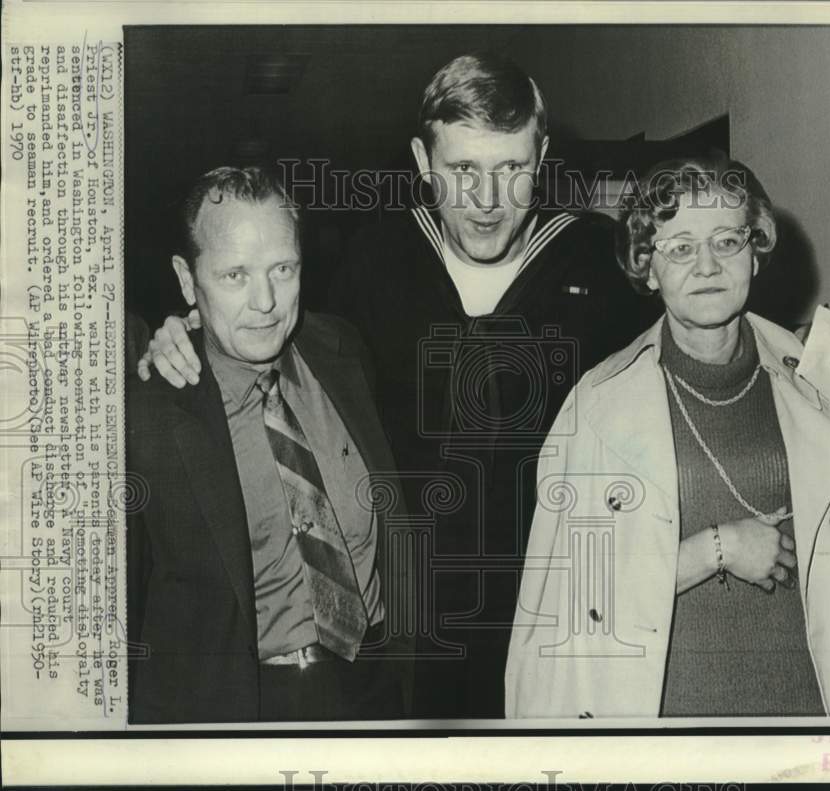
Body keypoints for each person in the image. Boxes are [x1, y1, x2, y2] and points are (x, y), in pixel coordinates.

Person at [136, 53, 661, 718]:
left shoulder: (600, 267)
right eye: (462, 169)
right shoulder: (375, 265)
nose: (487, 200)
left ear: (545, 156)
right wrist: (179, 328)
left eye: (513, 169)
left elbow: (690, 359)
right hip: (410, 640)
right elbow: (265, 327)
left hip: (562, 615)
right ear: (421, 159)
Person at [505, 155, 830, 718]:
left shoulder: (814, 377)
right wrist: (717, 549)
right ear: (646, 267)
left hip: (819, 708)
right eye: (680, 248)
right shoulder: (596, 408)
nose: (707, 266)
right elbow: (570, 603)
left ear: (755, 253)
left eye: (727, 241)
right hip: (674, 717)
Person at [127, 166, 412, 723]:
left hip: (376, 686)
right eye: (234, 275)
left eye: (282, 269)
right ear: (188, 281)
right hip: (244, 706)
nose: (265, 302)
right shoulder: (150, 416)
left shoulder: (344, 351)